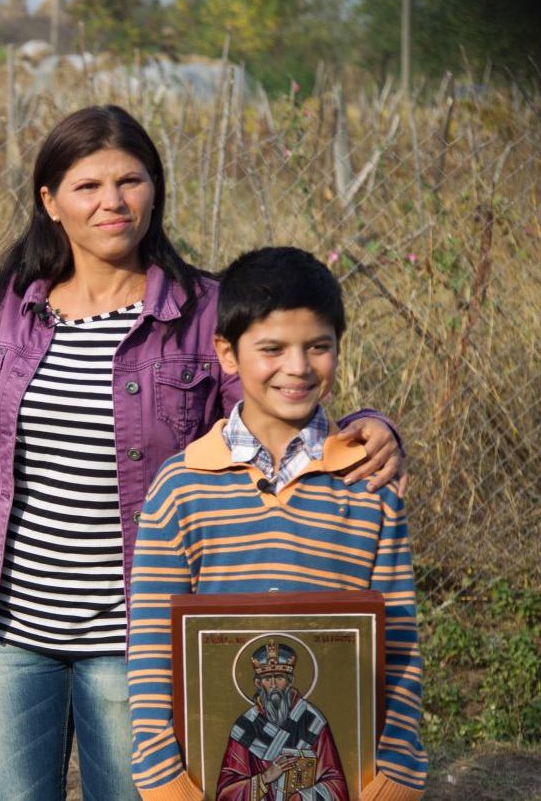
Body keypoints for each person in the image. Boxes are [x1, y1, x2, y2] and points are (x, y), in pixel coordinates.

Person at [0, 106, 404, 800]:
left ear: (156, 191)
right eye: (88, 186)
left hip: (140, 634)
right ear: (50, 202)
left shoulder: (204, 310)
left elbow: (278, 411)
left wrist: (367, 424)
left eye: (130, 181)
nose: (112, 202)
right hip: (8, 630)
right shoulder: (8, 310)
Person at [126, 247, 426, 801]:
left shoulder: (369, 488)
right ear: (228, 354)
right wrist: (168, 780)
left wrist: (397, 774)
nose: (298, 367)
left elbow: (399, 644)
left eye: (319, 347)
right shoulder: (181, 489)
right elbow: (150, 651)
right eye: (272, 348)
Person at [218, 642, 348, 801]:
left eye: (279, 677)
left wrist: (301, 798)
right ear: (258, 684)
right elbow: (225, 794)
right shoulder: (244, 728)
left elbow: (335, 786)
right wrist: (265, 778)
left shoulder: (313, 722)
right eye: (267, 678)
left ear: (290, 681)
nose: (273, 685)